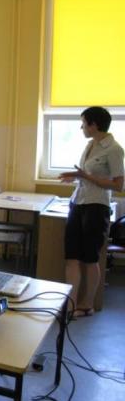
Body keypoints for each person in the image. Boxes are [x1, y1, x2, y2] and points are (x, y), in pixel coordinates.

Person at [59, 106, 124, 318]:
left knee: (89, 258)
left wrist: (85, 177)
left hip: (97, 207)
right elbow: (87, 174)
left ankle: (87, 304)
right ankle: (71, 304)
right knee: (71, 256)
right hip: (78, 203)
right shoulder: (90, 145)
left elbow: (118, 185)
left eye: (83, 123)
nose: (82, 128)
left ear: (94, 125)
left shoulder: (114, 149)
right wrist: (75, 176)